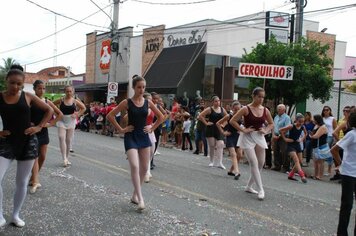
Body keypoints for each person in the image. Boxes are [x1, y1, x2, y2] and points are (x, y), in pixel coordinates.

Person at [0, 65, 53, 227]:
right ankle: (0, 216)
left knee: (21, 182)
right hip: (6, 143)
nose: (15, 87)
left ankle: (15, 215)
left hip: (27, 142)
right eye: (12, 83)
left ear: (23, 84)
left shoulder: (28, 97)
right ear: (6, 82)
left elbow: (49, 110)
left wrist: (38, 127)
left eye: (18, 84)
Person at [107, 76, 164, 211]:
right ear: (133, 87)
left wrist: (152, 128)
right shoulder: (127, 102)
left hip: (143, 136)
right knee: (134, 165)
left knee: (144, 168)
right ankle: (140, 198)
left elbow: (161, 117)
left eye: (143, 87)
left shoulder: (148, 103)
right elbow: (110, 115)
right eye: (139, 87)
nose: (141, 90)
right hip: (131, 136)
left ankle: (134, 195)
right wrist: (121, 129)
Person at [229, 87, 274, 200]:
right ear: (253, 96)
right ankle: (261, 189)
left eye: (263, 97)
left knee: (260, 163)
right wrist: (243, 130)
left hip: (259, 136)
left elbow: (271, 124)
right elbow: (232, 121)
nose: (261, 99)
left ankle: (249, 186)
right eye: (259, 96)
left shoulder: (265, 110)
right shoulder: (245, 109)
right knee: (253, 162)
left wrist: (266, 130)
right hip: (248, 137)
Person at [29, 80, 63, 194]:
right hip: (33, 132)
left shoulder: (48, 101)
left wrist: (51, 124)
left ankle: (34, 177)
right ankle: (35, 181)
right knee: (34, 156)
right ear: (34, 89)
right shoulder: (30, 100)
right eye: (39, 88)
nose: (42, 90)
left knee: (42, 156)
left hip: (43, 132)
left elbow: (59, 114)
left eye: (44, 88)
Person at [330, 111, 356, 235]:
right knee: (347, 205)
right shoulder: (352, 134)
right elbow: (334, 150)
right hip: (349, 174)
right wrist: (340, 164)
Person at [53, 85, 85, 167]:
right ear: (65, 92)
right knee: (61, 137)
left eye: (70, 91)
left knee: (68, 140)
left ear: (73, 92)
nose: (69, 93)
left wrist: (77, 114)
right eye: (67, 91)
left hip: (71, 120)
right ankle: (64, 158)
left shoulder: (75, 101)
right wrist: (56, 113)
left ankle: (67, 158)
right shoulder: (61, 100)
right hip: (61, 120)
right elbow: (51, 105)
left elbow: (83, 108)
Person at [198, 95, 227, 169]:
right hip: (211, 128)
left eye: (219, 101)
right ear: (213, 102)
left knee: (220, 144)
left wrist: (223, 124)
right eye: (216, 101)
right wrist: (206, 123)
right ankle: (212, 161)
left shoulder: (222, 109)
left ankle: (220, 162)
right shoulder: (209, 109)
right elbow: (200, 116)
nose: (218, 102)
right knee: (212, 146)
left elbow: (227, 118)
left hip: (219, 129)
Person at [217, 101, 242, 180]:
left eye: (239, 109)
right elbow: (218, 123)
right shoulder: (229, 116)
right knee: (233, 154)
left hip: (239, 136)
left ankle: (231, 170)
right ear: (232, 109)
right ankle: (237, 172)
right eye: (235, 109)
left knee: (240, 155)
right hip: (230, 136)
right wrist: (223, 132)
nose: (237, 111)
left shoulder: (242, 116)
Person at [279, 113, 308, 183]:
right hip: (290, 145)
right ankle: (302, 175)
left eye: (302, 122)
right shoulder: (291, 126)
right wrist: (285, 139)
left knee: (300, 161)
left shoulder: (302, 127)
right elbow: (281, 130)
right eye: (299, 121)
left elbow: (306, 134)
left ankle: (291, 175)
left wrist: (301, 139)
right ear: (296, 120)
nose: (301, 123)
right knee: (296, 160)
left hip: (297, 144)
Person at [272, 104, 291, 172]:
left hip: (283, 136)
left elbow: (287, 128)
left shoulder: (287, 117)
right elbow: (273, 126)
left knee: (284, 151)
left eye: (280, 109)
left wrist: (280, 135)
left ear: (284, 110)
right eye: (278, 108)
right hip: (276, 135)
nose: (279, 110)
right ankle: (277, 166)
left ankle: (286, 167)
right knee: (275, 150)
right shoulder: (276, 117)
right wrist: (273, 135)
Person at [309, 114, 329, 180]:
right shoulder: (316, 125)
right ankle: (315, 174)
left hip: (321, 146)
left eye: (314, 119)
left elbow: (316, 136)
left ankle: (319, 175)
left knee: (320, 161)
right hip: (316, 146)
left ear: (317, 120)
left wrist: (311, 136)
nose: (313, 120)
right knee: (315, 161)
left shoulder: (322, 127)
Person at [321, 105, 337, 176]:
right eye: (324, 110)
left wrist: (335, 139)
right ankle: (322, 170)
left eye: (327, 110)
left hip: (330, 136)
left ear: (330, 111)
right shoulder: (322, 118)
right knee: (323, 153)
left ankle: (329, 170)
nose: (326, 111)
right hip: (322, 136)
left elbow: (335, 129)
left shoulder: (332, 119)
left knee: (327, 152)